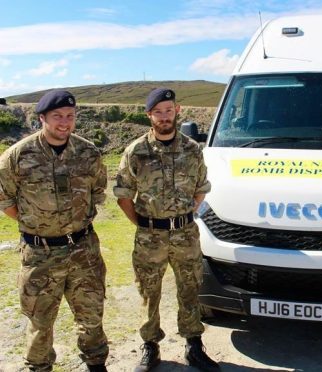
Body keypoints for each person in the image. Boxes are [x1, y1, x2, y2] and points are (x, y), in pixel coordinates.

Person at [0, 90, 109, 372]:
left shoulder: (88, 152)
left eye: (70, 117)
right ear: (42, 119)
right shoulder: (17, 156)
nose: (64, 122)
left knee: (92, 314)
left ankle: (96, 363)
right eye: (57, 116)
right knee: (40, 320)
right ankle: (39, 367)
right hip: (40, 254)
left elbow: (97, 193)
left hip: (84, 250)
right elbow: (5, 200)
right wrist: (37, 225)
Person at [114, 88, 219, 372]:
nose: (164, 117)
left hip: (185, 234)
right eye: (158, 112)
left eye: (168, 110)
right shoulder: (136, 151)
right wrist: (146, 224)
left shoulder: (192, 149)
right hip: (150, 236)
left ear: (178, 110)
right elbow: (124, 195)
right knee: (149, 292)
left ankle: (194, 347)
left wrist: (183, 216)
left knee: (190, 288)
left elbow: (201, 189)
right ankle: (150, 347)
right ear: (149, 115)